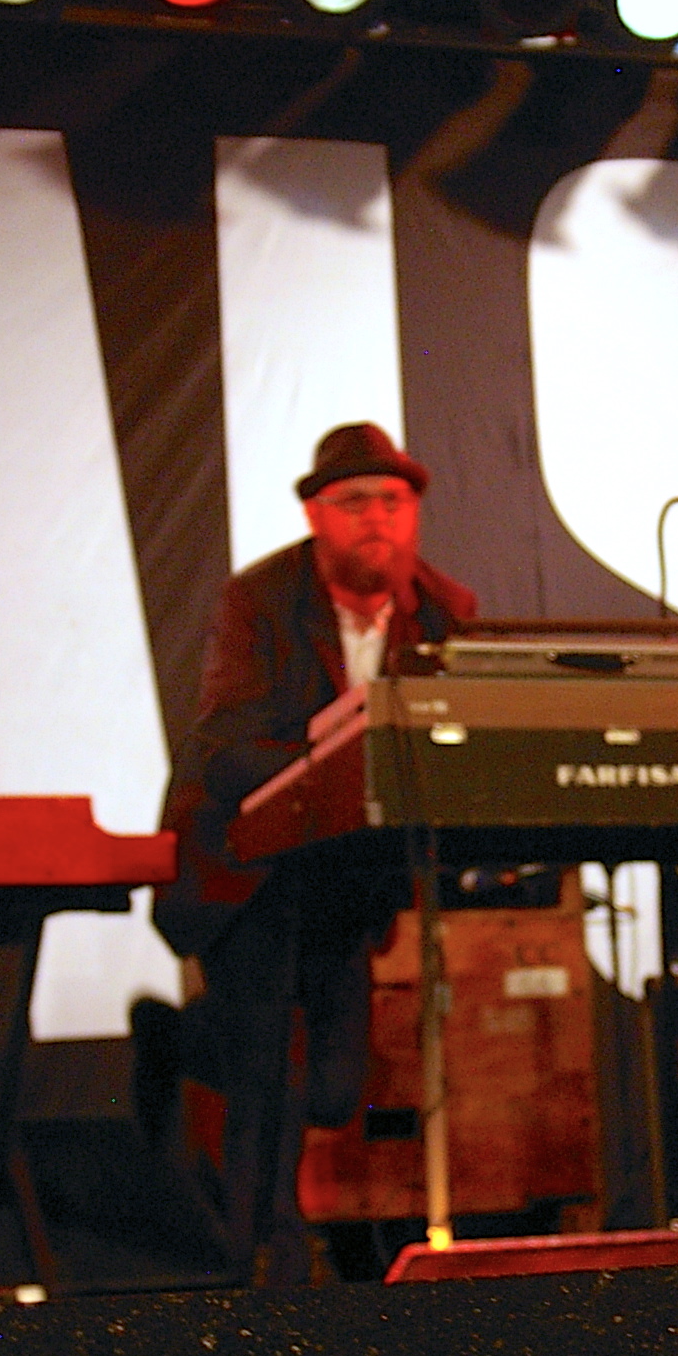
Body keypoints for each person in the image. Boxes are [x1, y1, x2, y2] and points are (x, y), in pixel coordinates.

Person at [153, 422, 475, 1285]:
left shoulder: (446, 610)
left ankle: (181, 1044)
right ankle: (267, 1268)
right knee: (271, 1076)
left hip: (342, 877)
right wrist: (335, 756)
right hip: (245, 870)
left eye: (393, 500)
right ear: (315, 515)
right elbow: (225, 747)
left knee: (335, 1088)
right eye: (354, 500)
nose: (377, 517)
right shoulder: (259, 600)